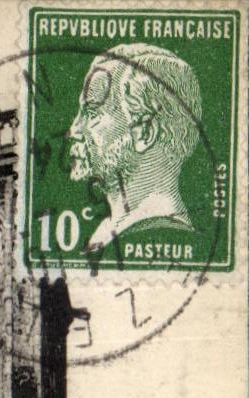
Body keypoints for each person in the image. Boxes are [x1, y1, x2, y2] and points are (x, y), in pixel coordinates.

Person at [68, 44, 202, 253]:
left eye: (92, 113)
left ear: (144, 133)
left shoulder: (159, 233)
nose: (74, 130)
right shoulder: (108, 232)